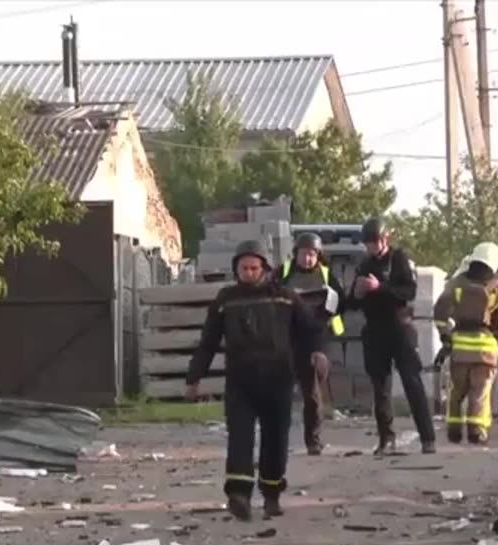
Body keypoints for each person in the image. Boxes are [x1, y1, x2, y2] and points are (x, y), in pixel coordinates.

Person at [186, 240, 321, 521]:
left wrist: (317, 353)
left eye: (253, 267)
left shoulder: (286, 298)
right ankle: (239, 496)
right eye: (243, 268)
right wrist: (194, 377)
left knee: (276, 440)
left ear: (265, 269)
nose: (248, 272)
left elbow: (310, 330)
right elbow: (208, 342)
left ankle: (271, 495)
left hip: (278, 380)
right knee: (240, 438)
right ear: (236, 269)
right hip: (240, 383)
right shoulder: (226, 300)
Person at [351, 217, 437, 455]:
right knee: (380, 387)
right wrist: (357, 293)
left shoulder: (398, 259)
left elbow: (408, 292)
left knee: (412, 381)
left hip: (399, 326)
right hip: (375, 329)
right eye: (368, 243)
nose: (372, 247)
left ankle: (427, 437)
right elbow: (352, 301)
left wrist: (380, 287)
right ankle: (386, 438)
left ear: (385, 239)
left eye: (376, 241)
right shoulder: (364, 264)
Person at [432, 242, 498, 445]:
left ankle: (453, 430)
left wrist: (445, 335)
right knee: (480, 392)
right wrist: (496, 334)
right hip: (486, 349)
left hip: (459, 348)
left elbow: (440, 311)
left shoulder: (457, 284)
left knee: (457, 390)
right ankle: (476, 431)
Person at [275, 232, 345, 455]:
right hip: (286, 338)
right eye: (304, 254)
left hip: (315, 340)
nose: (308, 259)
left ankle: (313, 441)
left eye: (312, 254)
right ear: (296, 254)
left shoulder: (325, 275)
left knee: (312, 394)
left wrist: (329, 304)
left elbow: (342, 301)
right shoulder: (283, 273)